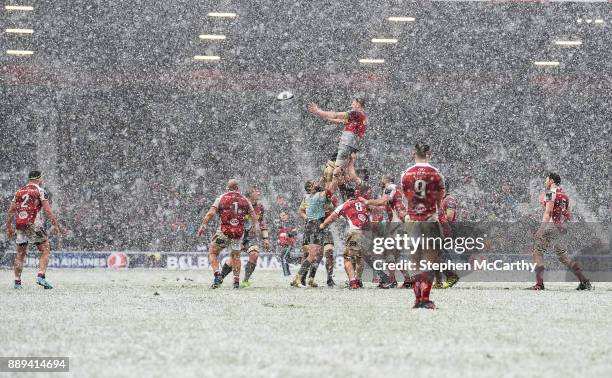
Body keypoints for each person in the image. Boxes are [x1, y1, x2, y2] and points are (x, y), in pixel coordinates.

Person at [401, 143, 446, 309]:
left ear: (414, 153)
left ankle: (417, 299)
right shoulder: (435, 173)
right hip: (429, 220)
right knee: (430, 259)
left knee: (414, 260)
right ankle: (425, 299)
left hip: (411, 220)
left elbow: (406, 197)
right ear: (430, 153)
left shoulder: (405, 174)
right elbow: (440, 199)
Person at [529, 173, 591, 291]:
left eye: (546, 179)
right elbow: (568, 216)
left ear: (551, 180)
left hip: (550, 226)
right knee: (564, 257)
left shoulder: (550, 193)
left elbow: (548, 214)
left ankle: (539, 284)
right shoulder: (565, 196)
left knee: (538, 253)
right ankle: (584, 281)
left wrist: (541, 229)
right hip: (561, 228)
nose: (545, 182)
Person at [197, 179, 259, 289]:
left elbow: (211, 213)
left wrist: (203, 226)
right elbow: (254, 215)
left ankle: (217, 275)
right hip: (238, 233)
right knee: (235, 256)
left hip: (224, 232)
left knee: (213, 252)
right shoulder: (244, 199)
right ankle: (236, 282)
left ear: (228, 188)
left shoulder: (221, 198)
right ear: (237, 188)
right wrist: (255, 227)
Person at [5, 170, 61, 289]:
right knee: (45, 249)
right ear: (39, 179)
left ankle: (17, 283)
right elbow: (47, 210)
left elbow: (11, 211)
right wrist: (55, 224)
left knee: (20, 254)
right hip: (33, 224)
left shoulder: (18, 192)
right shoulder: (40, 191)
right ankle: (40, 276)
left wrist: (9, 227)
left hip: (20, 224)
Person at [319, 185, 374, 289]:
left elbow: (331, 218)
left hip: (355, 232)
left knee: (347, 257)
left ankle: (353, 282)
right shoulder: (363, 202)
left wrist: (322, 225)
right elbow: (370, 210)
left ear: (345, 196)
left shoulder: (345, 205)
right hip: (367, 233)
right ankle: (358, 280)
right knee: (359, 257)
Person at [308, 98, 367, 188]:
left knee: (336, 173)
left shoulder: (357, 113)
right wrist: (321, 114)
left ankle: (329, 196)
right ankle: (358, 187)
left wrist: (318, 111)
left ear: (358, 104)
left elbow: (335, 115)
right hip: (348, 146)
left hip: (347, 146)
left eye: (353, 103)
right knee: (335, 171)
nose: (351, 105)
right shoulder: (357, 117)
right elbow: (337, 120)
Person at [291, 180, 328, 288]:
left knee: (318, 254)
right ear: (310, 188)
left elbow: (300, 210)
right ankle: (298, 278)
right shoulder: (317, 195)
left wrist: (307, 218)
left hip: (311, 225)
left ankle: (310, 278)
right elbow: (330, 188)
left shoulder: (306, 197)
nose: (317, 183)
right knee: (312, 254)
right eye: (314, 183)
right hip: (316, 225)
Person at [236, 187, 270, 288]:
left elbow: (262, 223)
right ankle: (220, 278)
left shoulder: (260, 207)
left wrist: (265, 238)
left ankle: (245, 281)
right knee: (232, 260)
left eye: (258, 191)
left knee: (254, 254)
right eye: (256, 191)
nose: (259, 193)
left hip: (251, 237)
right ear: (250, 194)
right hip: (238, 235)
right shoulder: (242, 205)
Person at [433, 180, 460, 289]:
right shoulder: (441, 200)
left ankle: (451, 276)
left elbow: (449, 216)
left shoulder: (449, 200)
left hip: (446, 231)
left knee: (438, 257)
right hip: (439, 231)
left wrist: (438, 217)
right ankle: (440, 281)